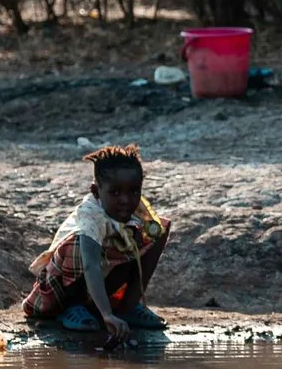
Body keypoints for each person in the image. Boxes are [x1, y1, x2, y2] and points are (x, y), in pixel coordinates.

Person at [22, 143, 171, 340]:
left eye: (133, 191)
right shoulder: (90, 216)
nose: (125, 200)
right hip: (63, 289)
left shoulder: (136, 208)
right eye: (115, 193)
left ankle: (128, 306)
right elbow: (91, 265)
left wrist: (136, 235)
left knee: (157, 231)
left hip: (101, 288)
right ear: (96, 190)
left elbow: (149, 231)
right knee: (77, 244)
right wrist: (106, 314)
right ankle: (74, 308)